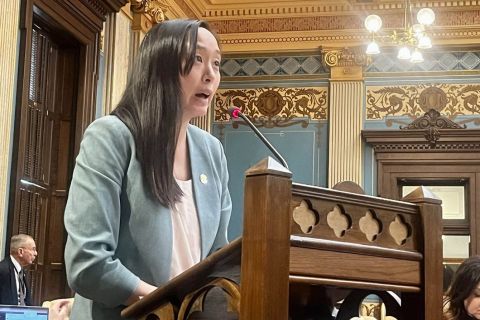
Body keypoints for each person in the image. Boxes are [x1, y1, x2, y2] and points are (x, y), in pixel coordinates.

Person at [64, 19, 231, 320]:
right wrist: (166, 304)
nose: (210, 75)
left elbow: (219, 260)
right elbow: (87, 263)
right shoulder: (111, 136)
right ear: (161, 64)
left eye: (217, 63)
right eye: (197, 59)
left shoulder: (212, 151)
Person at [0, 234, 37, 305]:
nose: (35, 253)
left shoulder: (21, 271)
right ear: (20, 252)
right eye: (33, 249)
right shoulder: (2, 270)